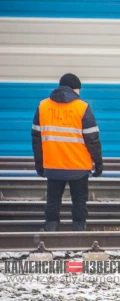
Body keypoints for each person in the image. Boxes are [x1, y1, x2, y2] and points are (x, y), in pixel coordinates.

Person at [31, 73, 103, 231]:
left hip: (53, 165)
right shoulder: (82, 107)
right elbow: (92, 139)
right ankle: (78, 233)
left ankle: (51, 231)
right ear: (75, 89)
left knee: (53, 201)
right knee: (79, 202)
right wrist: (98, 163)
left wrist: (39, 163)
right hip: (78, 166)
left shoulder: (43, 106)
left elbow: (36, 139)